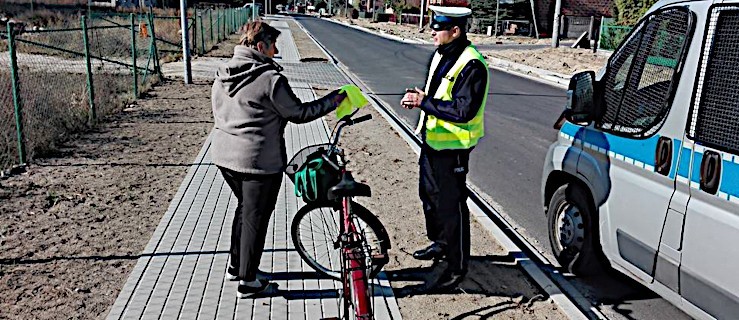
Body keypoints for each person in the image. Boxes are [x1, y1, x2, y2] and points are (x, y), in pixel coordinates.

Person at [211, 21, 349, 298]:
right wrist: (333, 101)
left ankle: (238, 265)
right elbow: (298, 113)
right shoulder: (270, 79)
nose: (276, 52)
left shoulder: (224, 72)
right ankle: (248, 282)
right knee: (255, 219)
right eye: (273, 46)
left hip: (224, 155)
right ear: (260, 46)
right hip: (257, 162)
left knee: (245, 210)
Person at [400, 5, 489, 292]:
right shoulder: (443, 54)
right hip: (433, 141)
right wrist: (421, 99)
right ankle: (440, 244)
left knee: (452, 207)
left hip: (454, 148)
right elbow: (437, 94)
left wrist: (423, 103)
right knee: (429, 196)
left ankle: (456, 266)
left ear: (456, 31)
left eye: (438, 27)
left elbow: (464, 111)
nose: (432, 32)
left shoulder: (472, 65)